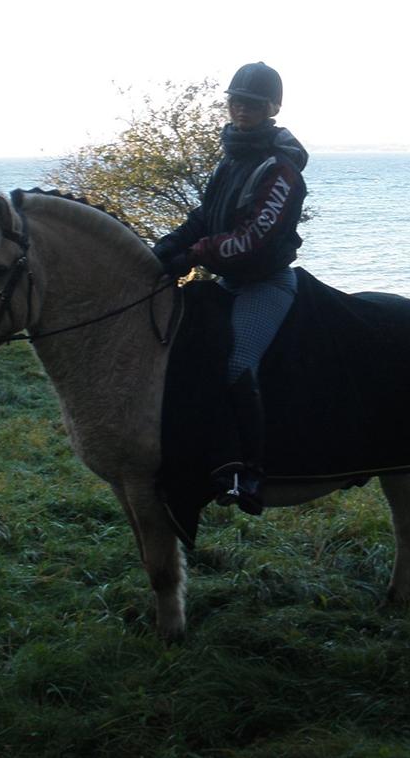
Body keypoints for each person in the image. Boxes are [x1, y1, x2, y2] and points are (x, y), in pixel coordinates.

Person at [152, 61, 308, 515]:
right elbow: (205, 216)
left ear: (272, 109)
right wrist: (167, 247)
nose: (241, 109)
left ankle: (251, 471)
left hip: (265, 283)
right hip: (228, 279)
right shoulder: (232, 158)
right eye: (236, 101)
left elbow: (253, 238)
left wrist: (194, 254)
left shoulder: (280, 169)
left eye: (252, 104)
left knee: (240, 360)